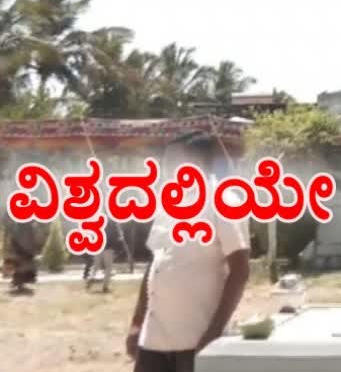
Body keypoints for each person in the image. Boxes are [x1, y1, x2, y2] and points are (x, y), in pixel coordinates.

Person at [126, 132, 249, 372]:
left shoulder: (224, 201)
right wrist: (136, 323)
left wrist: (214, 334)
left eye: (174, 160)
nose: (165, 166)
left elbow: (240, 270)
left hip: (196, 338)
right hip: (154, 339)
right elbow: (156, 265)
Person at [94, 216, 132, 292]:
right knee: (108, 268)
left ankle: (90, 282)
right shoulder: (115, 224)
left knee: (96, 266)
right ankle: (105, 287)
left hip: (98, 248)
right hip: (108, 249)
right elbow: (120, 237)